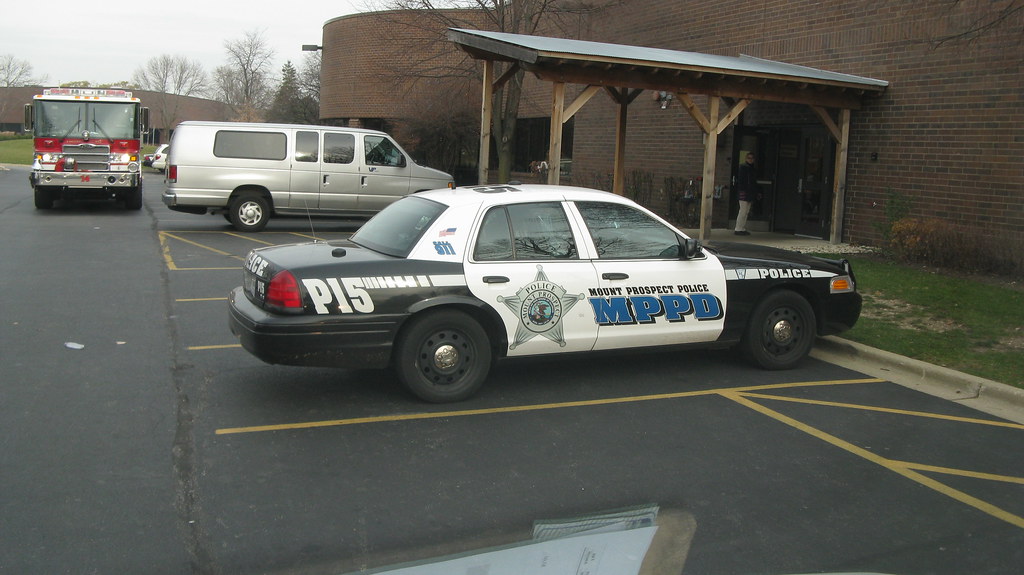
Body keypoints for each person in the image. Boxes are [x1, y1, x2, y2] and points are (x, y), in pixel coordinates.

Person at [735, 152, 756, 235]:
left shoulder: (752, 169)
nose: (750, 160)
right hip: (743, 192)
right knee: (743, 210)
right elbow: (742, 181)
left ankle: (742, 228)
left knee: (746, 211)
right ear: (746, 159)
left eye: (752, 158)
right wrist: (743, 190)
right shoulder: (743, 167)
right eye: (749, 158)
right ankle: (738, 228)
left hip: (749, 192)